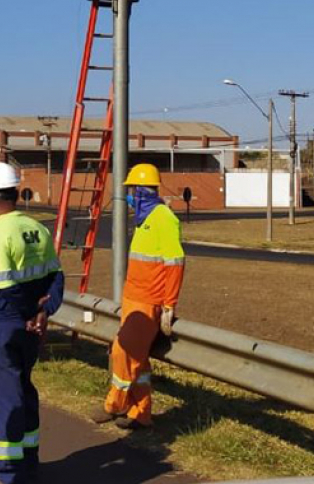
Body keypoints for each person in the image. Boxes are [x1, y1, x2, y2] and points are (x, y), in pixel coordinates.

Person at [0, 162, 63, 484]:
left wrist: (25, 316)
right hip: (30, 326)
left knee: (1, 398)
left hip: (3, 323)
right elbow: (56, 276)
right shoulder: (38, 228)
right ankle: (28, 464)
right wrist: (43, 313)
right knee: (23, 389)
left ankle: (6, 475)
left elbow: (4, 286)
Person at [90, 163, 184, 430]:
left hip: (148, 302)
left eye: (131, 189)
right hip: (133, 299)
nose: (129, 195)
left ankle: (114, 404)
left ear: (141, 190)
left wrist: (168, 305)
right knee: (138, 361)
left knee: (121, 351)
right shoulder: (144, 218)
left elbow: (175, 263)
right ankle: (141, 413)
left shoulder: (163, 218)